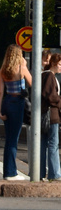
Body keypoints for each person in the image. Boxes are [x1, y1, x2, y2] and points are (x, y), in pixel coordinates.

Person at [0, 44, 31, 180]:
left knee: (8, 139)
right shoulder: (21, 68)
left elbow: (0, 92)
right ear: (19, 55)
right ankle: (11, 173)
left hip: (7, 102)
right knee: (13, 139)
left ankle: (8, 171)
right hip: (18, 103)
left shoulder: (3, 70)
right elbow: (33, 82)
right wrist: (25, 66)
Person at [40, 52, 61, 182]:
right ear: (53, 64)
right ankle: (54, 174)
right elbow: (50, 96)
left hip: (44, 115)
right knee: (53, 144)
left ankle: (40, 172)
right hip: (51, 115)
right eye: (59, 64)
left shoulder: (44, 75)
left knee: (43, 144)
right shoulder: (49, 76)